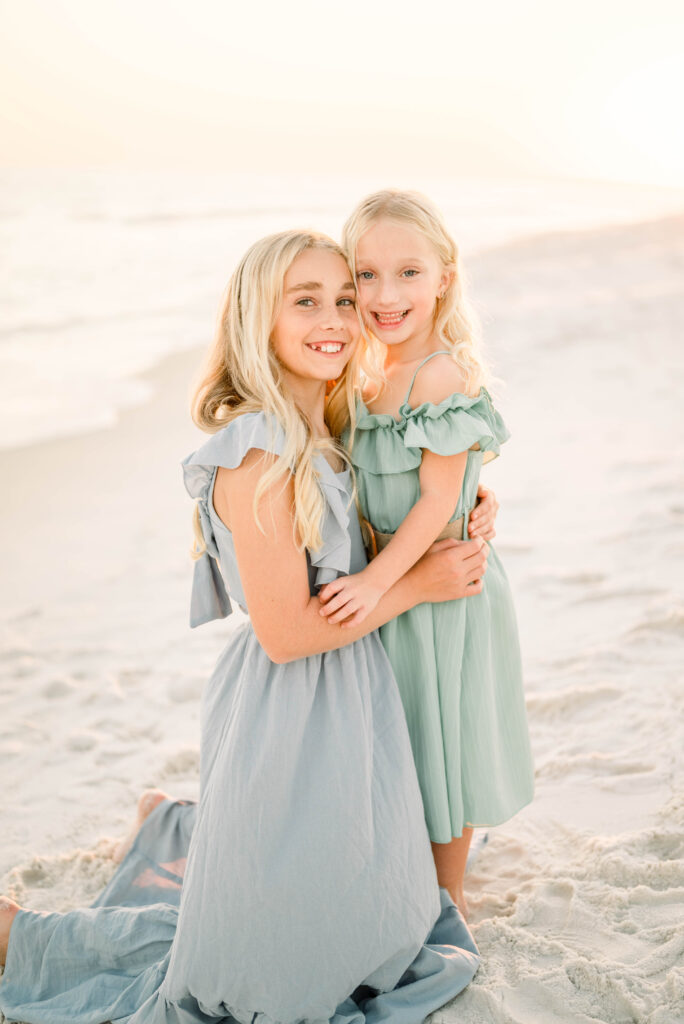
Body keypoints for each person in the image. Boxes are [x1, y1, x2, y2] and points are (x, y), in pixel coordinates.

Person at [0, 229, 493, 1024]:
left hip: (346, 702)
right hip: (292, 705)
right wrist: (418, 586)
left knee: (382, 936)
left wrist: (465, 508)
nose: (334, 317)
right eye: (305, 301)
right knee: (271, 973)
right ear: (258, 318)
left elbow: (363, 540)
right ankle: (24, 936)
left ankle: (174, 824)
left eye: (342, 298)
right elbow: (287, 635)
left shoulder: (326, 431)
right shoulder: (259, 454)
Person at [319, 191, 535, 917]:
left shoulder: (438, 377)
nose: (386, 295)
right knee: (404, 731)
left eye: (409, 273)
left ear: (444, 276)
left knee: (448, 732)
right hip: (390, 588)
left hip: (443, 591)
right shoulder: (361, 376)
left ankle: (448, 895)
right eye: (367, 275)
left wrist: (378, 581)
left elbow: (439, 502)